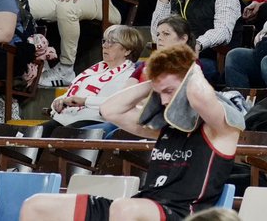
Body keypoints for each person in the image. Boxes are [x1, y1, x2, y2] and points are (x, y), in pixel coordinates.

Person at [22, 45, 242, 221]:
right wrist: (154, 82)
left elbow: (200, 97)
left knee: (125, 209)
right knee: (37, 205)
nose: (164, 100)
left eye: (169, 91)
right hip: (141, 207)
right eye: (160, 93)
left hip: (181, 214)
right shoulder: (164, 128)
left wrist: (185, 67)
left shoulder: (220, 129)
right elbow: (110, 110)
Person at [44, 24, 147, 135]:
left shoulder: (131, 75)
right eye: (105, 41)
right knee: (35, 133)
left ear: (127, 50)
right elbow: (70, 95)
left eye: (112, 42)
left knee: (59, 134)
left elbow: (121, 103)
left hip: (95, 120)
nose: (105, 46)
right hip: (65, 117)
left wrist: (85, 101)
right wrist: (59, 101)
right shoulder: (94, 71)